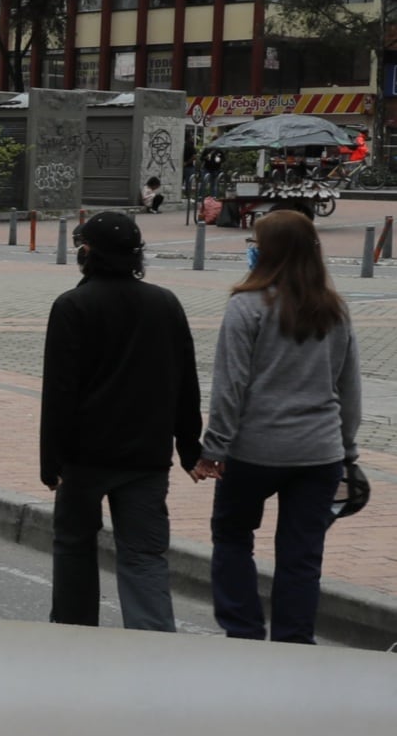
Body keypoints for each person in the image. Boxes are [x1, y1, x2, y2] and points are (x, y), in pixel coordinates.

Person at [198, 209, 364, 643]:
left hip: (253, 450)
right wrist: (347, 451)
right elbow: (349, 389)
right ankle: (294, 644)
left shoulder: (247, 306)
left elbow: (230, 386)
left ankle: (244, 631)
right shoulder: (334, 310)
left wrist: (214, 447)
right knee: (301, 557)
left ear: (266, 251)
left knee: (233, 537)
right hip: (320, 454)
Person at [40, 210, 202, 631]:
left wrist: (50, 461)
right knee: (144, 555)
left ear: (88, 252)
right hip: (146, 459)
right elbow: (186, 381)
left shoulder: (73, 306)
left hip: (85, 457)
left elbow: (59, 392)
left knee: (75, 545)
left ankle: (76, 638)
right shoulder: (165, 303)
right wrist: (190, 448)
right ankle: (152, 645)